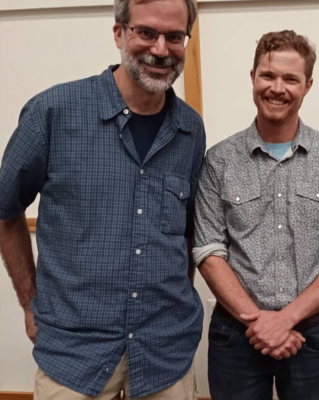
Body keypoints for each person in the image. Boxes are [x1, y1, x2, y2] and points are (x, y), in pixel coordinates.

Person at [0, 0, 205, 399]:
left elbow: (188, 232)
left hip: (166, 355)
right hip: (74, 357)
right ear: (119, 33)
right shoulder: (52, 113)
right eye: (146, 32)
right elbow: (5, 211)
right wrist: (29, 303)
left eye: (174, 37)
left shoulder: (190, 130)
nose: (161, 49)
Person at [192, 30, 319, 400]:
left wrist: (285, 320)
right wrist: (259, 323)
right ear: (253, 77)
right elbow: (208, 248)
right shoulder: (219, 161)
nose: (277, 87)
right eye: (268, 75)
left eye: (291, 78)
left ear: (308, 85)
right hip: (235, 338)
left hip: (313, 335)